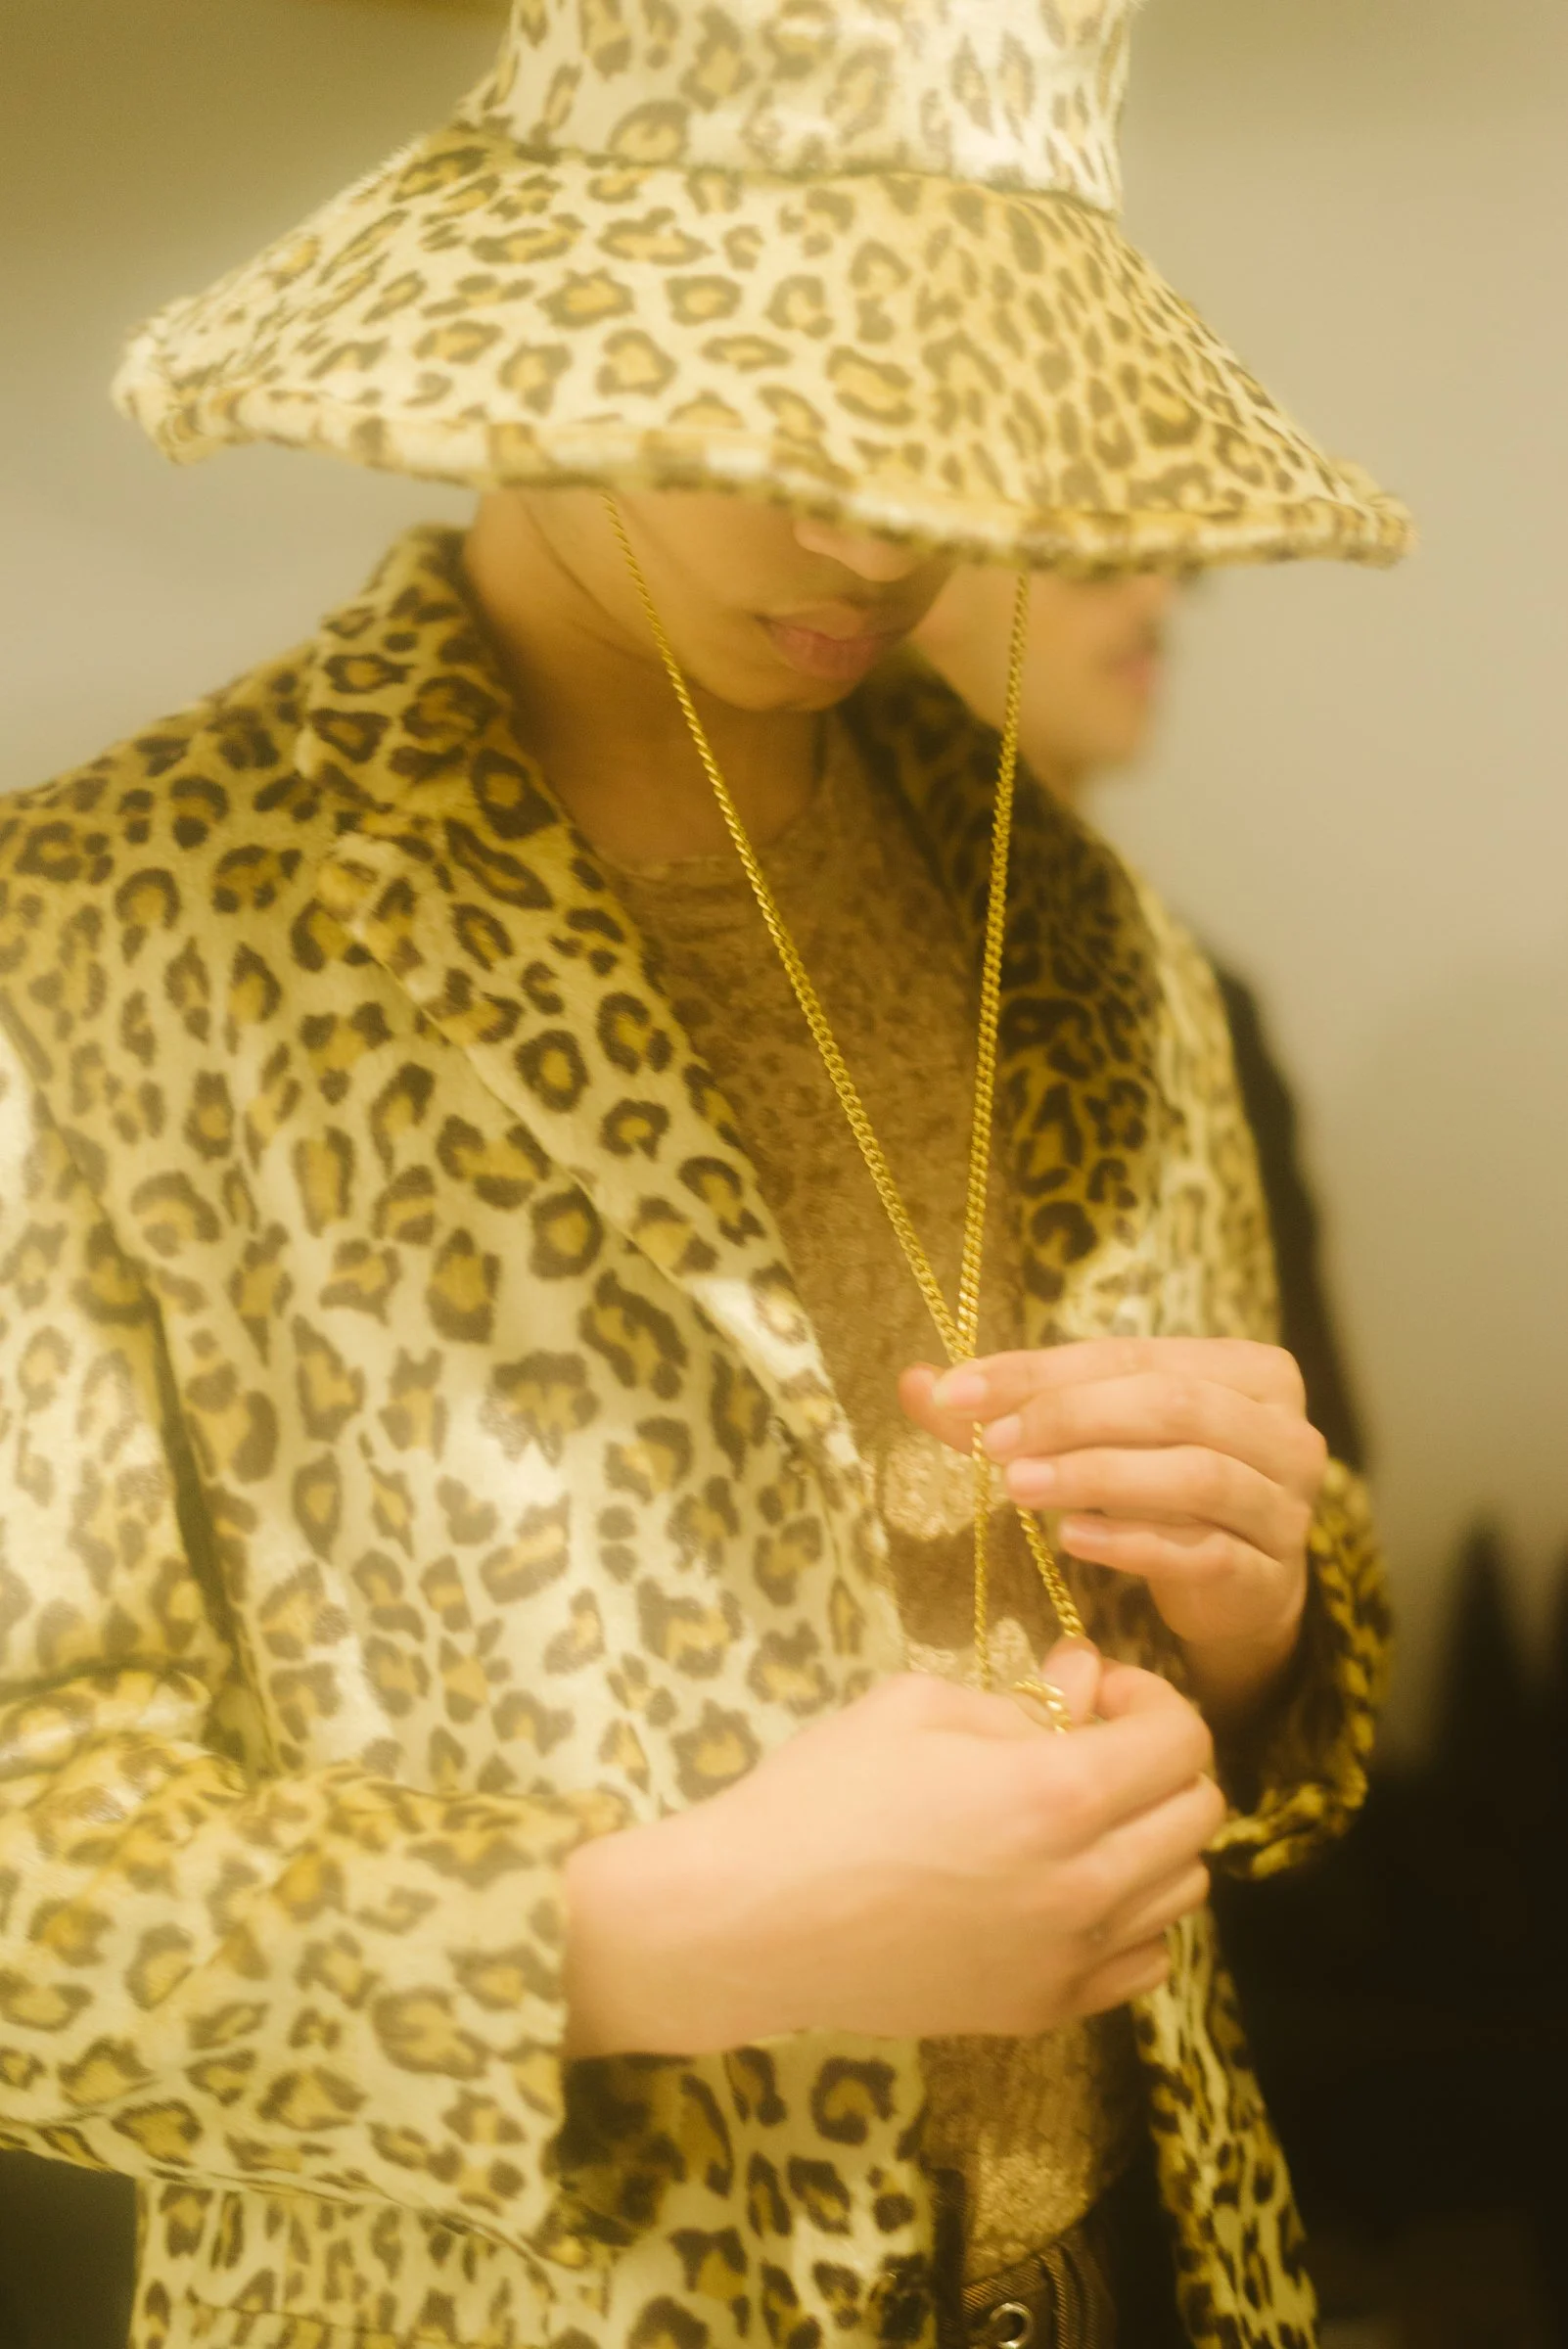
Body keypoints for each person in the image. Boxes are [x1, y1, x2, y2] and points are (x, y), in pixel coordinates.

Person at [0, 4, 1407, 2345]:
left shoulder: (1073, 923)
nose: (875, 527)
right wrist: (651, 1935)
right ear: (550, 309)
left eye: (947, 405)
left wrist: (1253, 1624)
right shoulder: (107, 934)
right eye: (782, 400)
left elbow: (1208, 1673)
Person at [913, 572, 1369, 1473]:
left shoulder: (1207, 1012)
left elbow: (1327, 1450)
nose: (1157, 600)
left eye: (1178, 564)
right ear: (920, 569)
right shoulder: (829, 963)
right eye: (1095, 555)